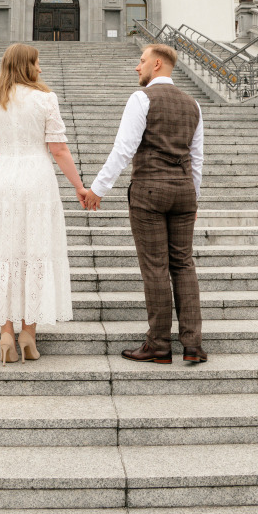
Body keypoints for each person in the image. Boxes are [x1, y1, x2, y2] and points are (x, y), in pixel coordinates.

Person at [85, 43, 206, 364]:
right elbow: (197, 159)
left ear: (156, 64)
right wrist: (193, 199)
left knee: (156, 267)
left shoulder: (142, 98)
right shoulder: (193, 104)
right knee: (184, 264)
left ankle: (159, 344)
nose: (136, 67)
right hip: (183, 194)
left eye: (141, 61)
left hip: (150, 191)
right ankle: (193, 344)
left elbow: (124, 148)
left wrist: (98, 188)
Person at [0, 44, 86, 364]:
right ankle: (28, 335)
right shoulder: (46, 100)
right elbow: (59, 149)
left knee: (4, 252)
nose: (41, 69)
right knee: (36, 250)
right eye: (37, 63)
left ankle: (6, 332)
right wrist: (79, 186)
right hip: (37, 180)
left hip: (4, 180)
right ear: (26, 66)